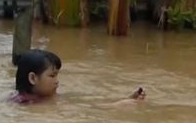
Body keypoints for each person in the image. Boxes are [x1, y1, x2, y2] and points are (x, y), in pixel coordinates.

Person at [10, 49, 146, 105]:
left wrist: (127, 99)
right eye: (52, 76)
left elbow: (89, 105)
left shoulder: (47, 97)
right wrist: (123, 104)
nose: (57, 81)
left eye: (57, 75)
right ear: (33, 78)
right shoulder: (23, 104)